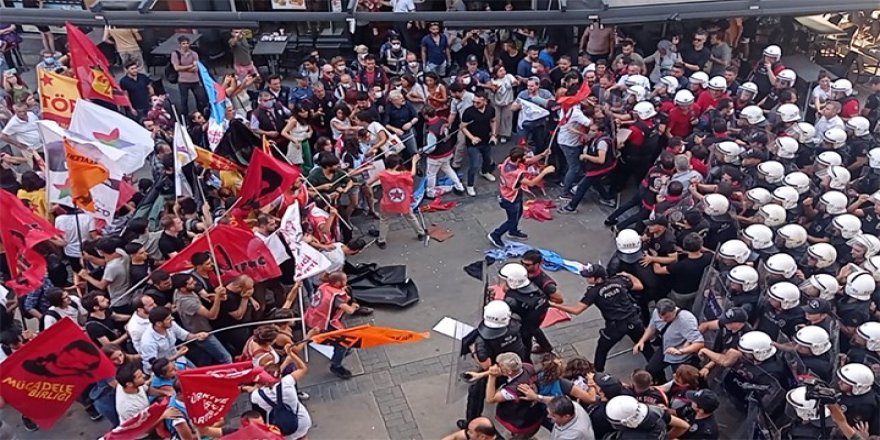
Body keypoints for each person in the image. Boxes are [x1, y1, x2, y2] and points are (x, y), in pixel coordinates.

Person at [551, 264, 654, 372]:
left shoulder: (593, 292)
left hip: (615, 327)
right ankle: (659, 376)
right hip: (634, 321)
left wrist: (554, 305)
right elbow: (639, 285)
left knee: (602, 350)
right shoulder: (619, 281)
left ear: (598, 279)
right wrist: (628, 275)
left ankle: (597, 374)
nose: (586, 278)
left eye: (589, 277)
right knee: (646, 347)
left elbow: (576, 310)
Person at [458, 300, 528, 429]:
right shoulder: (515, 322)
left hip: (497, 370)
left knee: (476, 394)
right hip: (517, 364)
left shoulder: (482, 342)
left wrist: (474, 351)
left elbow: (486, 366)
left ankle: (472, 423)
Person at [488, 147, 555, 246]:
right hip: (509, 199)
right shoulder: (514, 173)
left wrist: (542, 155)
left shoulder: (510, 160)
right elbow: (531, 183)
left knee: (519, 213)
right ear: (519, 159)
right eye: (524, 155)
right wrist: (544, 172)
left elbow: (528, 161)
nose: (526, 156)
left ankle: (513, 231)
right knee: (512, 220)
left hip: (514, 194)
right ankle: (495, 235)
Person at [304, 271, 362, 379]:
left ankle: (342, 352)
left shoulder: (324, 287)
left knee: (342, 342)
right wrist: (354, 306)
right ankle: (336, 366)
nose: (346, 282)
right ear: (337, 283)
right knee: (342, 345)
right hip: (325, 324)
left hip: (314, 317)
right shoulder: (337, 298)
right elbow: (349, 311)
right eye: (344, 280)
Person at [250, 344, 312, 439]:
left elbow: (258, 413)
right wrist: (291, 354)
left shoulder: (256, 395)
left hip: (279, 426)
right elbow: (302, 369)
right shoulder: (287, 383)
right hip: (300, 420)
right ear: (280, 375)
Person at [635, 299, 705, 383]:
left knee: (682, 381)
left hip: (681, 357)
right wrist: (641, 341)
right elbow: (651, 327)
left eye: (666, 317)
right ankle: (661, 382)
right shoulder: (656, 313)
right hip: (666, 349)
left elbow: (699, 343)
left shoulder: (686, 320)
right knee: (651, 369)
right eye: (660, 317)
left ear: (673, 310)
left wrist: (680, 351)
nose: (663, 319)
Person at [171, 273, 233, 366]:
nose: (195, 283)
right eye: (191, 283)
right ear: (182, 288)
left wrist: (216, 296)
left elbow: (206, 297)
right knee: (226, 358)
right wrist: (217, 298)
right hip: (201, 333)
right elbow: (212, 315)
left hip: (206, 328)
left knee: (209, 359)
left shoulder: (184, 290)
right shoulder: (187, 302)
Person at [366, 153, 425, 248]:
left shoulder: (382, 174)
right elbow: (413, 173)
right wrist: (414, 162)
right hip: (403, 202)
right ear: (397, 165)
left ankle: (382, 240)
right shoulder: (403, 174)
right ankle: (420, 233)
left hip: (388, 202)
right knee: (411, 217)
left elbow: (368, 183)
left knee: (384, 220)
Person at [139, 306, 207, 372]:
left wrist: (197, 336)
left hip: (178, 359)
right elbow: (155, 364)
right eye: (168, 319)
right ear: (159, 323)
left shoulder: (171, 325)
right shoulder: (148, 342)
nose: (172, 319)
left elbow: (185, 336)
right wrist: (177, 355)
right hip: (165, 370)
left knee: (197, 372)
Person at [171, 36, 207, 118]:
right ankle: (185, 117)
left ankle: (201, 115)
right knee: (184, 100)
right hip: (183, 81)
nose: (186, 45)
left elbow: (196, 68)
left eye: (187, 43)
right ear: (180, 44)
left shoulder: (194, 54)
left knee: (200, 98)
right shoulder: (175, 54)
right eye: (183, 44)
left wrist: (183, 68)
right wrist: (189, 66)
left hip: (195, 80)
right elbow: (176, 68)